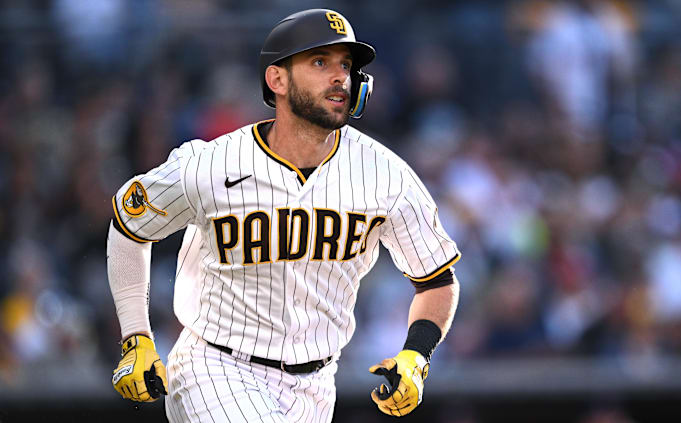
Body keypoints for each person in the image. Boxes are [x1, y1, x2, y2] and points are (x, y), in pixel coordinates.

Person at [107, 8, 461, 422]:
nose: (339, 76)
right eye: (319, 62)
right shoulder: (209, 165)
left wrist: (416, 355)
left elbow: (437, 279)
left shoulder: (386, 175)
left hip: (316, 385)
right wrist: (136, 336)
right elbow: (130, 224)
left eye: (345, 65)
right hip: (216, 366)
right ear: (277, 79)